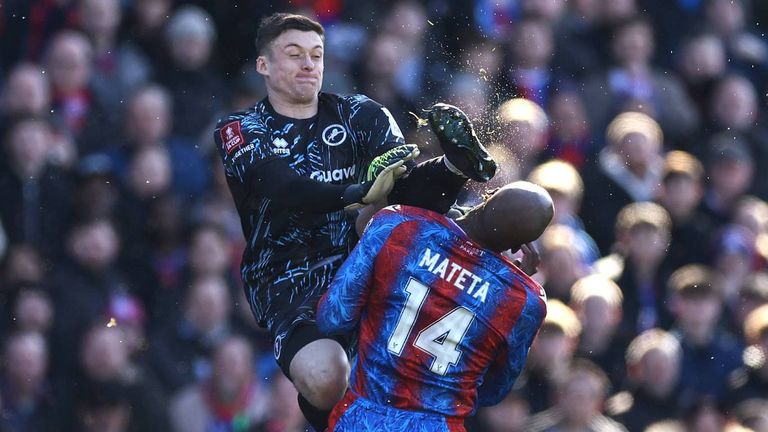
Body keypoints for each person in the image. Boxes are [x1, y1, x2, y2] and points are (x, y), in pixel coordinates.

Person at [212, 12, 496, 430]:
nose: (308, 65)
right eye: (294, 55)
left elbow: (403, 192)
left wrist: (438, 177)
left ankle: (455, 166)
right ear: (264, 66)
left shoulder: (362, 114)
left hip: (368, 266)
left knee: (389, 217)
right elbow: (281, 187)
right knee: (327, 380)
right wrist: (355, 194)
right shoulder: (240, 127)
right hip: (289, 281)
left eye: (316, 55)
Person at [317, 181, 554, 431]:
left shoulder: (398, 224)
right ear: (521, 247)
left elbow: (332, 317)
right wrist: (512, 283)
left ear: (489, 194)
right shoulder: (524, 300)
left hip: (361, 419)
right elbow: (493, 392)